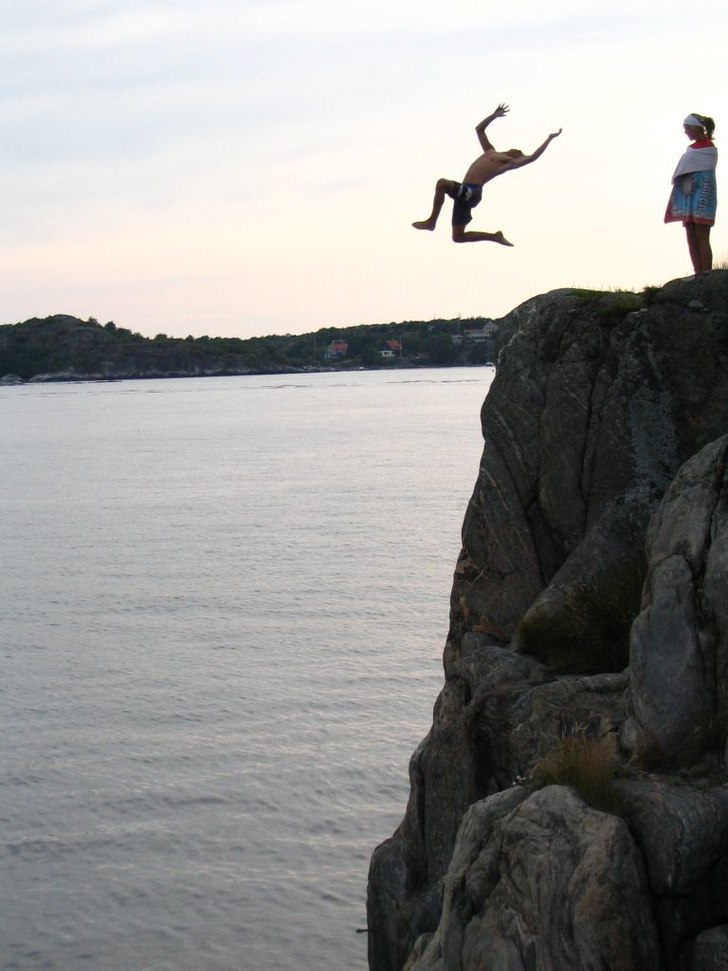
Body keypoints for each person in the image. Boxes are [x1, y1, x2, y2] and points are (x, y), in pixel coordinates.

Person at [412, 104, 562, 245]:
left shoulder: (507, 162)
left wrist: (549, 139)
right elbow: (479, 130)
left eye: (520, 152)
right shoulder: (491, 151)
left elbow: (533, 157)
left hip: (472, 192)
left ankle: (432, 222)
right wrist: (494, 115)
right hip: (465, 194)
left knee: (442, 183)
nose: (518, 149)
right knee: (458, 237)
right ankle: (495, 236)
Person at [665, 113, 718, 275]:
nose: (685, 132)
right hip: (689, 196)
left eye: (687, 128)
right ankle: (698, 272)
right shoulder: (692, 149)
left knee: (702, 234)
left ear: (695, 128)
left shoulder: (709, 149)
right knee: (691, 235)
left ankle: (706, 273)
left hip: (703, 195)